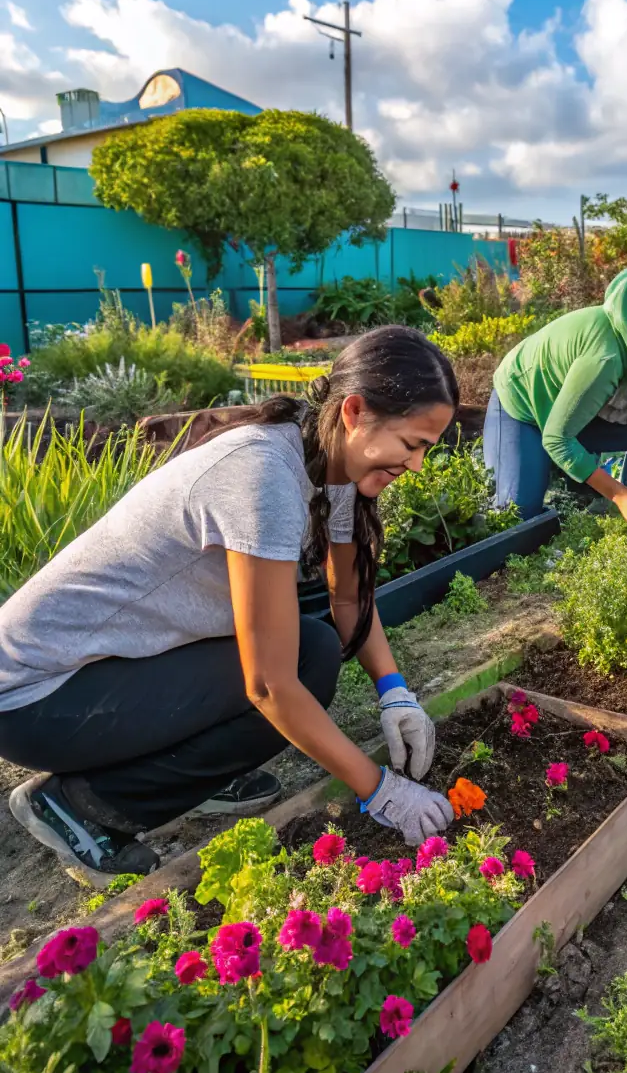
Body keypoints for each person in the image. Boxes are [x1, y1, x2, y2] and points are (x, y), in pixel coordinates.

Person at [0, 326, 460, 885]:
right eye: (411, 444)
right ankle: (80, 805)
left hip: (114, 667)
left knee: (312, 648)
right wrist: (382, 791)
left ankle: (196, 770)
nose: (415, 465)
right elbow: (267, 686)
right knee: (291, 672)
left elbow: (345, 594)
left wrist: (396, 693)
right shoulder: (262, 476)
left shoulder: (328, 464)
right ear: (355, 411)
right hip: (36, 696)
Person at [485, 268, 627, 530]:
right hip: (523, 408)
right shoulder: (605, 357)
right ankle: (537, 467)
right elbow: (557, 438)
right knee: (515, 520)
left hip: (571, 413)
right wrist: (620, 494)